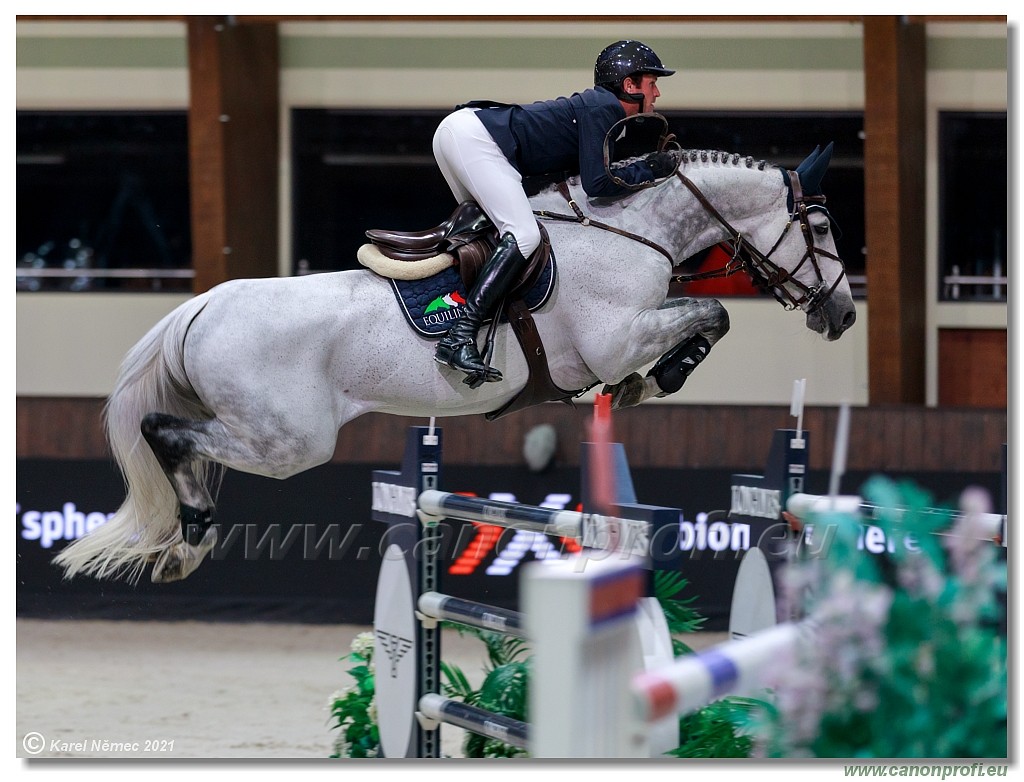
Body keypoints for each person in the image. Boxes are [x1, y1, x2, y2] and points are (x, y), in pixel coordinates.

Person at [432, 39, 677, 386]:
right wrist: (652, 169)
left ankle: (461, 323)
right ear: (629, 85)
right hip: (476, 138)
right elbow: (598, 183)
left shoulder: (598, 109)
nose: (657, 94)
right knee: (525, 235)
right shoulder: (604, 108)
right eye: (652, 84)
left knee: (493, 238)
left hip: (462, 133)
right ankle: (459, 336)